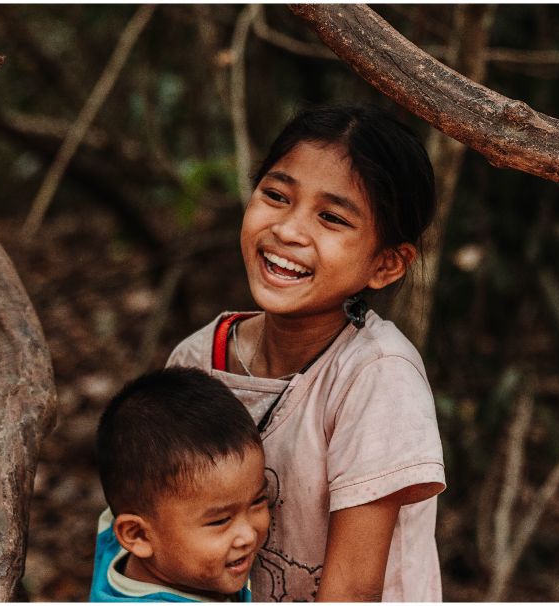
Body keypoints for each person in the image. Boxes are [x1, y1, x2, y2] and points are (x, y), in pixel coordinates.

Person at [167, 103, 446, 601]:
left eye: (332, 218)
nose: (289, 231)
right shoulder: (196, 360)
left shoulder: (376, 377)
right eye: (276, 195)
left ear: (386, 264)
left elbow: (352, 592)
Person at [90, 367, 270, 602]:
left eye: (258, 501)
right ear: (138, 535)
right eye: (220, 520)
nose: (247, 535)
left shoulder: (120, 534)